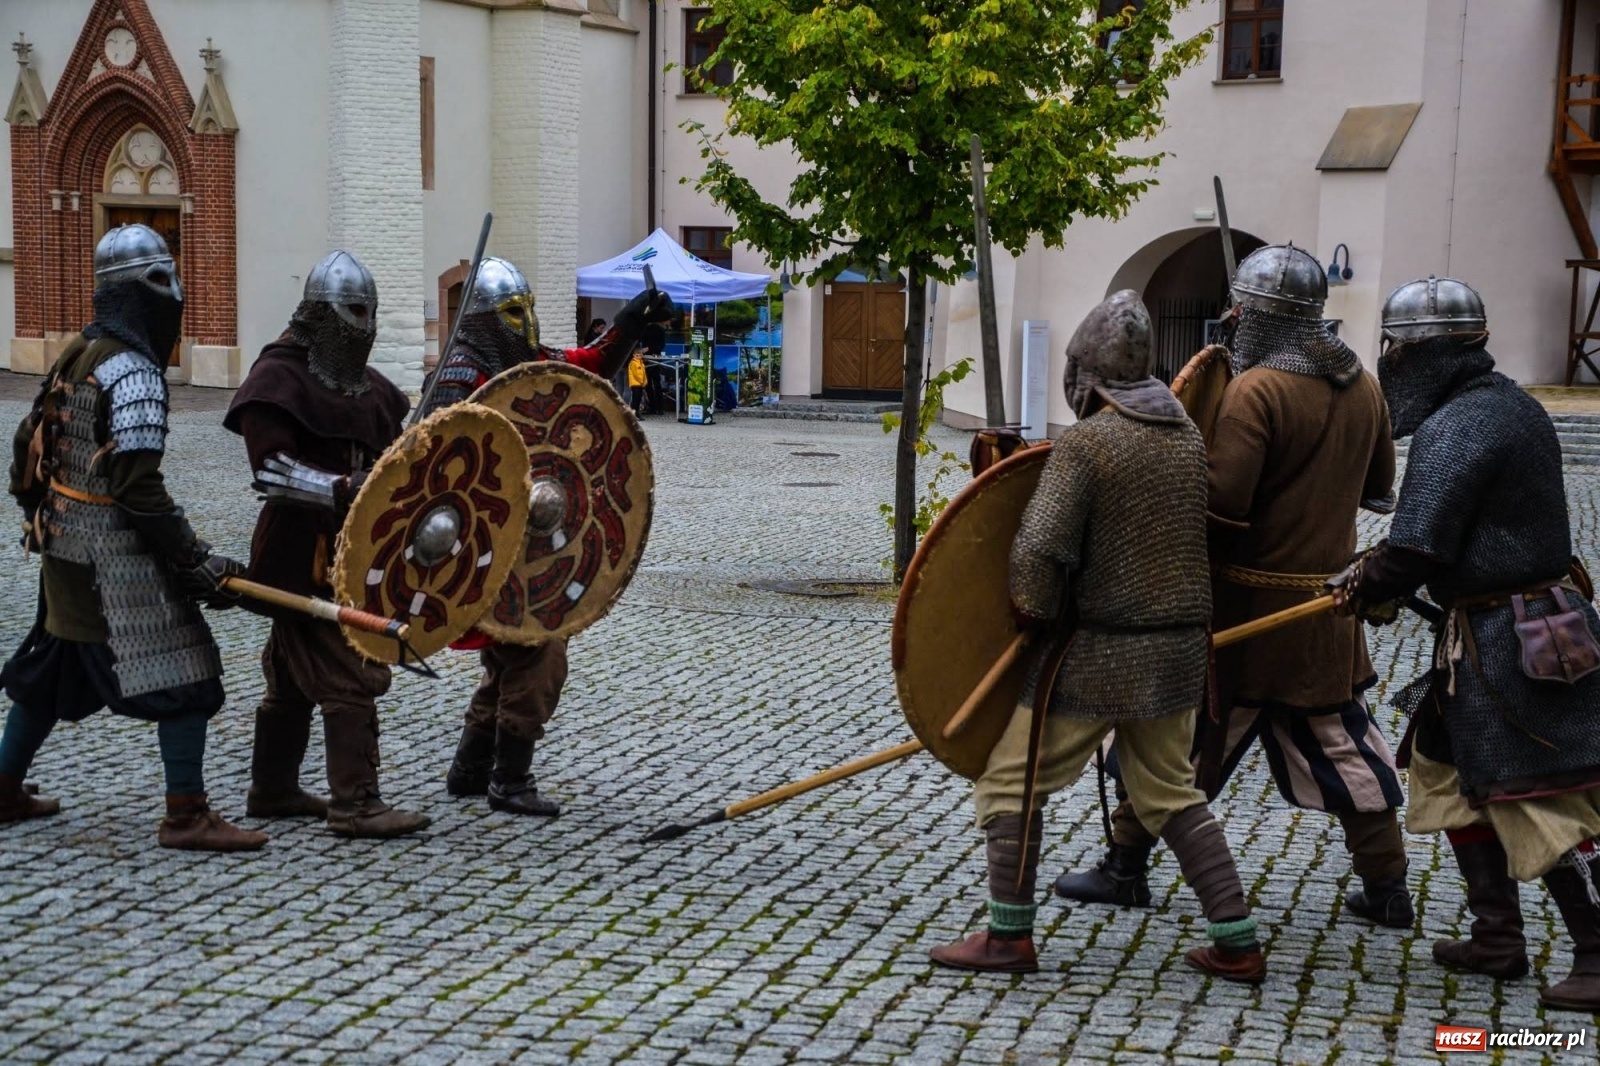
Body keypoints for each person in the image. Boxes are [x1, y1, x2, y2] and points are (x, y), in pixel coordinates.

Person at [1055, 245, 1413, 930]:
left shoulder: (1257, 391)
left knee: (1183, 736)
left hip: (1247, 612)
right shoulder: (1364, 385)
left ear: (1255, 314)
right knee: (1341, 740)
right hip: (1327, 612)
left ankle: (1125, 867)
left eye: (1239, 309)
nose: (1230, 318)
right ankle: (1388, 886)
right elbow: (1376, 491)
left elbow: (1221, 504)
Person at [928, 291, 1264, 983]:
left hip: (1099, 651)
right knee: (1169, 789)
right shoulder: (1184, 436)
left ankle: (1008, 937)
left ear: (1086, 372)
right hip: (1175, 648)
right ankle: (1237, 940)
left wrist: (1033, 613)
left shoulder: (1087, 442)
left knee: (1010, 783)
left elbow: (1039, 549)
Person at [1334, 276, 1600, 1012]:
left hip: (1512, 643)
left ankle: (1598, 955)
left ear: (1425, 353)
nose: (1391, 360)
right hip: (1503, 631)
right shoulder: (1509, 403)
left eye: (1399, 349)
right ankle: (1496, 937)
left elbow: (1418, 547)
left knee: (1538, 799)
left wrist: (1367, 581)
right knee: (1448, 774)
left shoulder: (1462, 426)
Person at [0, 224, 264, 851]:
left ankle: (3, 788)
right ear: (145, 292)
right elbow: (138, 488)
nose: (173, 295)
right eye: (163, 281)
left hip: (66, 545)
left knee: (55, 666)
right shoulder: (135, 370)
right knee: (185, 666)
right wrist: (192, 558)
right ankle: (186, 814)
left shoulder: (78, 351)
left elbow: (26, 448)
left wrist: (46, 514)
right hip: (111, 556)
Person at [423, 257, 672, 816]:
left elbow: (584, 367)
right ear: (485, 319)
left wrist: (629, 324)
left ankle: (469, 769)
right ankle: (509, 780)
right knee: (539, 648)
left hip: (532, 538)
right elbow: (432, 470)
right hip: (487, 542)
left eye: (527, 309)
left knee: (511, 653)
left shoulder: (524, 363)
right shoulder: (459, 378)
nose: (526, 322)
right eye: (514, 312)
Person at [224, 250, 429, 839]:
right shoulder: (278, 379)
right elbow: (271, 472)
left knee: (289, 675)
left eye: (368, 312)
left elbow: (390, 466)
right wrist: (342, 488)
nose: (360, 324)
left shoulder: (375, 391)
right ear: (319, 314)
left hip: (356, 554)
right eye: (351, 311)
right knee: (349, 671)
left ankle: (274, 788)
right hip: (300, 556)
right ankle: (356, 804)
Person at [628, 349, 650, 415]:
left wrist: (645, 381)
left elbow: (644, 373)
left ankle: (637, 412)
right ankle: (633, 413)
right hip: (635, 383)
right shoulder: (633, 363)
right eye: (637, 355)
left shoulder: (641, 363)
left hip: (640, 384)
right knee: (635, 399)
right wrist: (641, 381)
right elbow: (635, 374)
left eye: (640, 355)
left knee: (638, 399)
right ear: (633, 355)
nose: (638, 356)